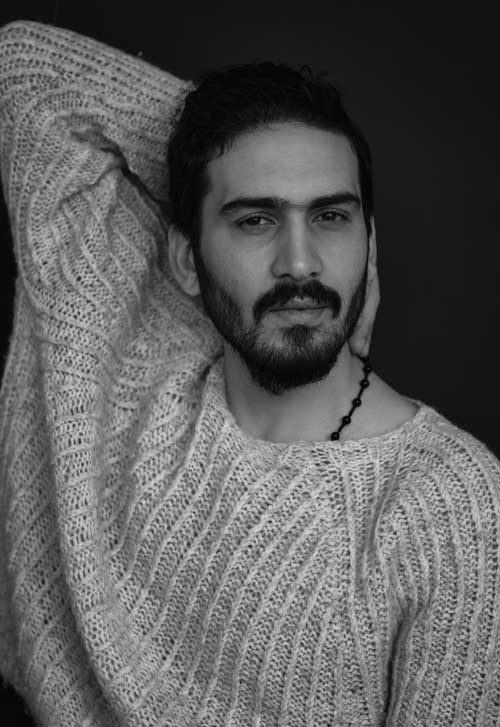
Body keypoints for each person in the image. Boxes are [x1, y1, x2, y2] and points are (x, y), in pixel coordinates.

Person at [0, 19, 499, 727]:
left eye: (331, 216)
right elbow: (25, 71)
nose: (300, 263)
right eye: (255, 220)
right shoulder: (134, 382)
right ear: (185, 261)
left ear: (369, 243)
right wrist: (207, 142)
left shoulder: (449, 504)